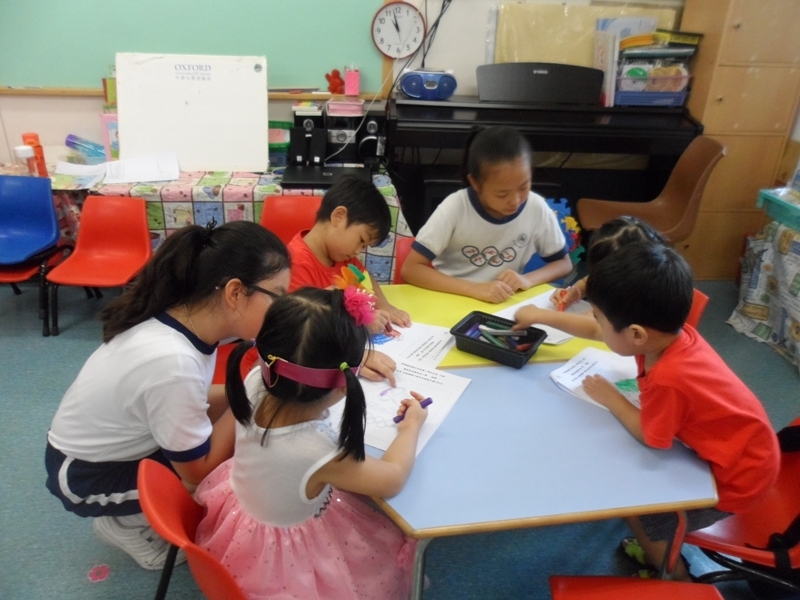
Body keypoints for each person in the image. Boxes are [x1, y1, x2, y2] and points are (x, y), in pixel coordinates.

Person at [524, 243, 780, 581]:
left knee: (643, 515)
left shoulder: (668, 378)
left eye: (597, 315)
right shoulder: (669, 338)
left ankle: (676, 579)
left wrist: (611, 397)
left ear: (636, 334)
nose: (595, 322)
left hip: (736, 481)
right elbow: (600, 332)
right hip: (752, 453)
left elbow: (651, 437)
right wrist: (540, 316)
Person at [45, 221, 291, 571]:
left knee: (233, 442)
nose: (282, 310)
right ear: (235, 293)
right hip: (84, 476)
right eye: (278, 296)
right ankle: (124, 524)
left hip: (117, 448)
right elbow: (197, 473)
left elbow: (195, 399)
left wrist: (251, 391)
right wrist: (252, 396)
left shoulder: (187, 322)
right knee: (222, 471)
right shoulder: (173, 361)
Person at [194, 287, 429, 599]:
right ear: (344, 384)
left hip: (249, 508)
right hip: (288, 549)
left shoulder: (256, 379)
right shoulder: (314, 450)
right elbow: (392, 479)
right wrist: (411, 426)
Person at [401, 126, 573, 303]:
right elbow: (411, 269)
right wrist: (473, 289)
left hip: (503, 303)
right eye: (502, 194)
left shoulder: (536, 207)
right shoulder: (455, 208)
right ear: (475, 183)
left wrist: (526, 280)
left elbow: (563, 263)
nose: (515, 201)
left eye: (523, 187)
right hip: (452, 297)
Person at [286, 174, 406, 384]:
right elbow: (300, 332)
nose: (359, 251)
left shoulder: (342, 256)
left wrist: (385, 305)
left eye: (365, 247)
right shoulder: (296, 264)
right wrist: (360, 326)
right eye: (361, 240)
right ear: (338, 216)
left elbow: (365, 276)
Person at [548, 215, 666, 311]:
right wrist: (574, 292)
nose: (599, 277)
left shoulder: (646, 297)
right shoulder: (630, 274)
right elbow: (589, 280)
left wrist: (542, 316)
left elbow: (596, 327)